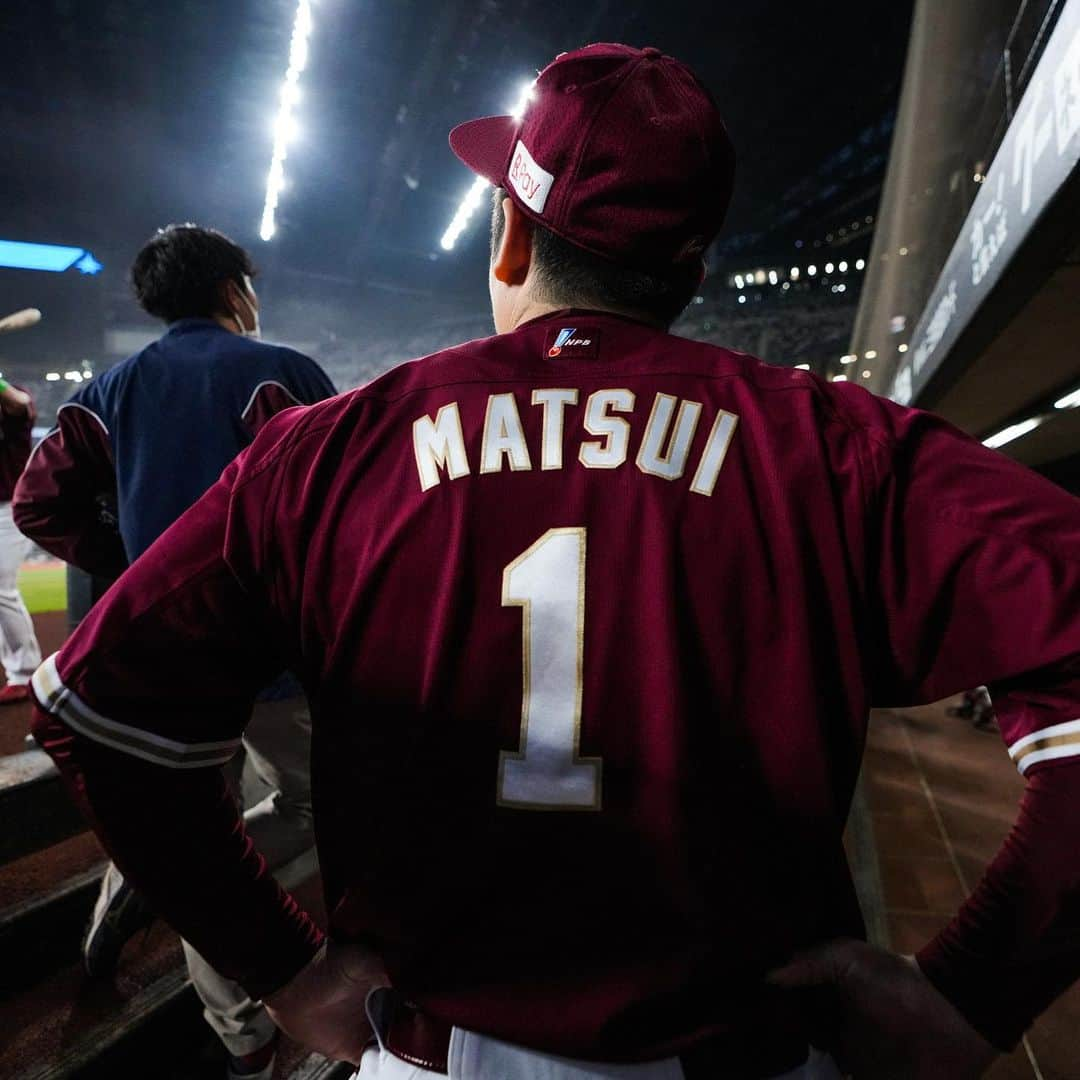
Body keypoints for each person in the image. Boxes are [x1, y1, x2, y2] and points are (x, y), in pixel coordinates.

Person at [25, 42, 1080, 1080]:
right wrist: (976, 989)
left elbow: (88, 707)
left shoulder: (332, 448)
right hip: (747, 1051)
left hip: (438, 1050)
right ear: (692, 266)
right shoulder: (842, 446)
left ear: (509, 238)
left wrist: (282, 965)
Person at [15, 223, 337, 1080]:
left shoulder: (104, 390)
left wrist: (133, 567)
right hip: (266, 654)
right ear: (234, 289)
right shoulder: (281, 370)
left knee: (204, 827)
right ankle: (163, 878)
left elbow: (37, 504)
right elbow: (333, 516)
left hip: (155, 660)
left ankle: (240, 1034)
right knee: (313, 808)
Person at [0, 378, 42, 704]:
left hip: (5, 509)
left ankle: (25, 673)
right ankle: (16, 668)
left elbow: (19, 402)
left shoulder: (12, 405)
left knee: (1, 587)